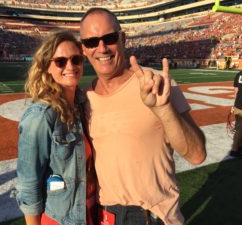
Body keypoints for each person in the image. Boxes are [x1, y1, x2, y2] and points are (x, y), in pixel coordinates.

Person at [79, 7, 206, 225]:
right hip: (106, 217)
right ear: (84, 49)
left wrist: (164, 109)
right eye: (92, 41)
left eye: (109, 38)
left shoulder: (156, 83)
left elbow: (196, 155)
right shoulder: (84, 98)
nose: (101, 48)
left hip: (154, 216)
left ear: (123, 39)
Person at [15, 30, 97, 225]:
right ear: (47, 68)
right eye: (60, 61)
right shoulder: (41, 116)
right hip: (61, 219)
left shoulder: (81, 104)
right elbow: (28, 184)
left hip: (90, 212)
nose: (70, 66)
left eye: (76, 59)